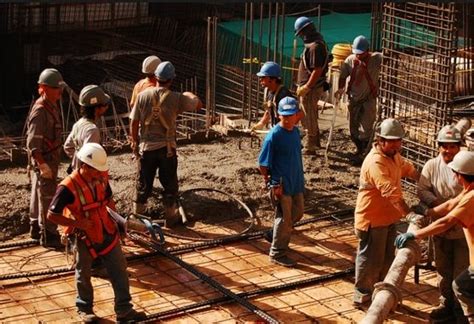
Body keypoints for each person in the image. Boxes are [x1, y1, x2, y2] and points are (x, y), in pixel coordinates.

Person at [47, 143, 146, 323]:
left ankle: (124, 310)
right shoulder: (67, 187)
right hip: (83, 235)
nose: (99, 175)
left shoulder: (100, 178)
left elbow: (108, 201)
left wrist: (119, 225)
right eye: (95, 171)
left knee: (119, 269)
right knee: (83, 272)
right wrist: (77, 223)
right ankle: (84, 308)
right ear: (84, 166)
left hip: (106, 230)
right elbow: (51, 215)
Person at [396, 151, 474, 324]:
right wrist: (427, 212)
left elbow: (445, 222)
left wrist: (415, 234)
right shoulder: (469, 190)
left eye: (455, 172)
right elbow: (450, 204)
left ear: (460, 175)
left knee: (461, 287)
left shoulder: (471, 198)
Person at [353, 118, 419, 306]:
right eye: (392, 141)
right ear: (381, 140)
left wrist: (422, 179)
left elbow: (406, 168)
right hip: (372, 221)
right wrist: (408, 214)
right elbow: (391, 192)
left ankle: (380, 293)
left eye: (399, 141)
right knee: (370, 261)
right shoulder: (376, 162)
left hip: (388, 218)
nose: (397, 145)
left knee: (387, 259)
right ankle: (362, 294)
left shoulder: (393, 155)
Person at [129, 61, 203, 226]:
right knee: (169, 184)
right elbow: (198, 105)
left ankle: (137, 219)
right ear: (170, 80)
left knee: (143, 184)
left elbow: (133, 122)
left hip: (146, 149)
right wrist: (189, 94)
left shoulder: (142, 96)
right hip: (167, 151)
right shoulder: (176, 98)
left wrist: (134, 142)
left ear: (155, 77)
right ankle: (171, 219)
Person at [417, 125, 469, 323]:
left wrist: (450, 210)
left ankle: (460, 310)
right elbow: (422, 190)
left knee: (461, 271)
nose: (448, 151)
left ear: (459, 147)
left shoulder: (465, 166)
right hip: (440, 228)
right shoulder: (431, 166)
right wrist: (437, 204)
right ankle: (446, 304)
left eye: (452, 147)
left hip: (462, 230)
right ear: (438, 147)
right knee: (443, 269)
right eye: (444, 147)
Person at [258, 96, 305, 267]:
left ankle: (275, 234)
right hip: (281, 184)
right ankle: (277, 252)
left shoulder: (295, 132)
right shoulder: (273, 136)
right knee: (284, 219)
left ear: (296, 115)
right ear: (278, 115)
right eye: (284, 115)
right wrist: (269, 181)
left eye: (290, 115)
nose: (287, 119)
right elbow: (263, 164)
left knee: (298, 212)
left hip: (296, 181)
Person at [26, 68, 65, 247]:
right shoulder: (41, 111)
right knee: (47, 197)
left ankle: (35, 226)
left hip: (49, 159)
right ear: (44, 88)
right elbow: (33, 143)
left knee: (38, 192)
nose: (60, 92)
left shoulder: (51, 106)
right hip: (45, 160)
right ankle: (48, 234)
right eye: (56, 88)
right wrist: (42, 164)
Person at [335, 35, 382, 164]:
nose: (359, 56)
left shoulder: (376, 59)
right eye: (357, 54)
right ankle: (359, 148)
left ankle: (365, 153)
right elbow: (343, 76)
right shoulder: (350, 60)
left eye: (361, 54)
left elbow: (389, 57)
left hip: (368, 99)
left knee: (366, 128)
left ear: (368, 50)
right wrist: (340, 88)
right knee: (353, 128)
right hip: (353, 99)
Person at [294, 16, 330, 155]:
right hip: (310, 86)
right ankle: (315, 142)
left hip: (312, 88)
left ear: (306, 31)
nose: (301, 36)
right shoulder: (315, 44)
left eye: (301, 33)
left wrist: (307, 86)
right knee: (310, 114)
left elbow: (317, 69)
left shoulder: (315, 46)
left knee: (308, 115)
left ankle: (311, 144)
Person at [63, 85, 110, 171]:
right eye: (105, 104)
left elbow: (67, 146)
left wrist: (76, 160)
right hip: (88, 176)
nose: (107, 107)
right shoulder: (92, 130)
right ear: (97, 108)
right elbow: (90, 159)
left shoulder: (78, 124)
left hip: (78, 173)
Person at [252, 61, 294, 130]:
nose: (260, 80)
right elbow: (269, 111)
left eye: (263, 77)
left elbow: (291, 117)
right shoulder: (269, 91)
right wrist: (261, 123)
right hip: (275, 128)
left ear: (273, 79)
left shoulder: (283, 95)